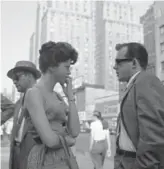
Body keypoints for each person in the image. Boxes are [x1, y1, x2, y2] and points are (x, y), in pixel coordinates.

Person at [21, 41, 80, 169]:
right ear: (52, 66)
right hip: (45, 159)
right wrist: (69, 141)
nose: (69, 72)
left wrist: (70, 97)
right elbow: (50, 140)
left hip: (64, 156)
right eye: (66, 67)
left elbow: (75, 131)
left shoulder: (57, 96)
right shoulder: (34, 93)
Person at [113, 42, 164, 169]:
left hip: (136, 163)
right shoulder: (134, 85)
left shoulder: (146, 81)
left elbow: (152, 135)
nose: (114, 67)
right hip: (124, 160)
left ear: (134, 63)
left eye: (119, 62)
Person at [1, 60, 41, 169]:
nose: (14, 81)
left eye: (17, 77)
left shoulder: (46, 97)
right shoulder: (18, 103)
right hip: (16, 155)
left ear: (29, 76)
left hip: (35, 157)